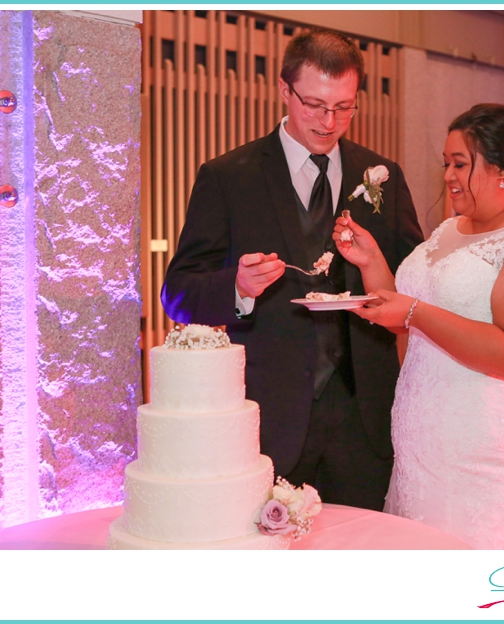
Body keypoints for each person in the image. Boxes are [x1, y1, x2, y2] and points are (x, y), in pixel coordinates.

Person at [162, 31, 423, 510]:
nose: (330, 122)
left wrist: (375, 266)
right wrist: (237, 287)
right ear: (285, 91)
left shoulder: (381, 174)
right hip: (269, 418)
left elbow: (415, 283)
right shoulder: (229, 177)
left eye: (345, 107)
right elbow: (177, 292)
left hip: (363, 417)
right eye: (315, 105)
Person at [334, 103, 504, 549]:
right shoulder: (451, 230)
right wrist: (372, 265)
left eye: (460, 164)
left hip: (491, 452)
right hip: (425, 443)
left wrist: (414, 313)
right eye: (446, 164)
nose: (448, 175)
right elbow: (417, 318)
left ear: (503, 168)